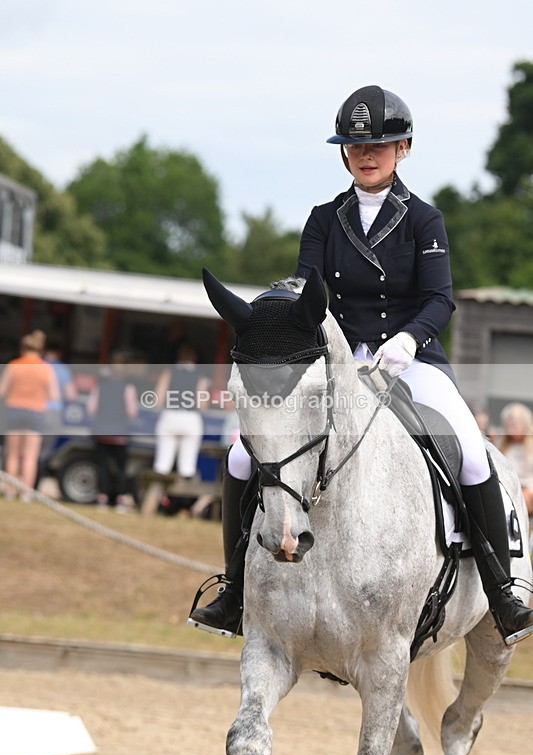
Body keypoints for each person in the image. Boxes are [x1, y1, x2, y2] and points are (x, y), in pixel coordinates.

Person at [190, 85, 533, 645]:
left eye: (380, 145)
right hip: (339, 365)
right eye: (354, 146)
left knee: (472, 453)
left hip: (410, 362)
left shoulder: (425, 220)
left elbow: (440, 299)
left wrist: (407, 341)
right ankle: (234, 589)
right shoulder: (324, 220)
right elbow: (304, 290)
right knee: (238, 456)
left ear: (404, 148)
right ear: (344, 152)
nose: (366, 155)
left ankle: (501, 590)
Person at [0, 330, 59, 500]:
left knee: (12, 455)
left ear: (22, 348)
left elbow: (2, 390)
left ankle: (10, 490)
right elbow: (54, 395)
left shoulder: (14, 365)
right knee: (30, 456)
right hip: (35, 412)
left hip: (15, 409)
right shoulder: (46, 369)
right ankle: (26, 492)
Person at [86, 352, 138, 511]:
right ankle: (120, 499)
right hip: (119, 433)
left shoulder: (101, 386)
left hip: (101, 431)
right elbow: (132, 412)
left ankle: (102, 497)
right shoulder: (128, 388)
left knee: (102, 466)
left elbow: (91, 408)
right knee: (121, 468)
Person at [152, 343, 210, 480]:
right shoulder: (200, 375)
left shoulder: (169, 372)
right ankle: (183, 500)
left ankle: (156, 498)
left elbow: (158, 398)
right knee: (187, 466)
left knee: (162, 464)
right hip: (191, 418)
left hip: (170, 415)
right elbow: (203, 405)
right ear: (195, 358)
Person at [498, 403, 533, 541]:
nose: (510, 430)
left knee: (522, 497)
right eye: (508, 426)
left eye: (514, 426)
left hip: (527, 489)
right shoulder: (502, 445)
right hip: (508, 488)